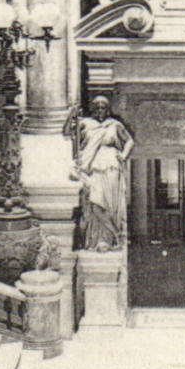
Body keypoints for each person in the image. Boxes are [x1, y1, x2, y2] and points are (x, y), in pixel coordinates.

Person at [64, 96, 135, 252]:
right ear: (93, 109)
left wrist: (123, 155)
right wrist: (71, 115)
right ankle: (96, 240)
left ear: (107, 109)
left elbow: (129, 141)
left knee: (110, 204)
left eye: (103, 107)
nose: (100, 110)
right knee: (95, 202)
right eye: (97, 107)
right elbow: (68, 132)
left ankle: (109, 240)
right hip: (93, 165)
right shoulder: (86, 123)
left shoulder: (114, 125)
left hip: (111, 166)